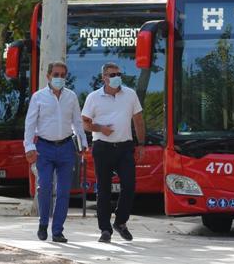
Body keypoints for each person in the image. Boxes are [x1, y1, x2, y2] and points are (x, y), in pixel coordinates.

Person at [23, 61, 88, 243]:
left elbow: (77, 121)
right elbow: (30, 123)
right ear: (48, 76)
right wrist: (29, 147)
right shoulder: (38, 97)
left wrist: (82, 143)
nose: (59, 78)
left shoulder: (71, 96)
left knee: (63, 191)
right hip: (44, 147)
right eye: (56, 74)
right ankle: (43, 223)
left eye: (62, 75)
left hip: (66, 147)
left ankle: (57, 230)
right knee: (44, 187)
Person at [81, 62, 145, 243]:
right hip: (102, 147)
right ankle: (105, 229)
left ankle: (121, 221)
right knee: (104, 189)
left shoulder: (130, 94)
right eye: (112, 74)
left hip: (125, 147)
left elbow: (138, 120)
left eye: (118, 73)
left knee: (129, 185)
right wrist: (99, 128)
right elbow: (84, 122)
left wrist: (141, 144)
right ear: (104, 78)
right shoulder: (94, 97)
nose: (116, 77)